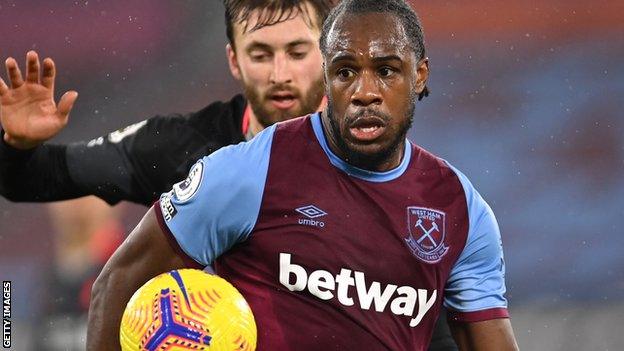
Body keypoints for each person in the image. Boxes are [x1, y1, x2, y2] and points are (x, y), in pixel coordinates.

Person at [87, 0, 519, 349]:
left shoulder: (461, 208)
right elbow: (117, 284)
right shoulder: (252, 170)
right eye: (346, 72)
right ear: (326, 76)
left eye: (386, 70)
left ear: (419, 75)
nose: (364, 92)